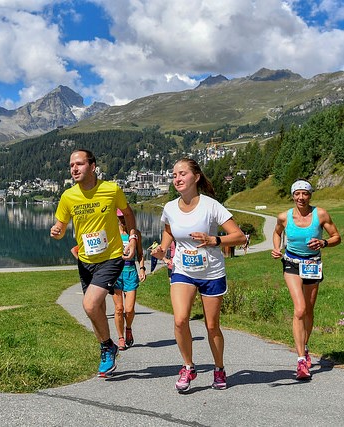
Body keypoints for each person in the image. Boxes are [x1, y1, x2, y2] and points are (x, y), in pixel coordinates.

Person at [152, 158, 245, 392]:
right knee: (180, 319)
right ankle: (188, 366)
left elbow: (240, 236)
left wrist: (215, 240)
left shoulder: (211, 206)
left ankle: (219, 368)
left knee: (212, 326)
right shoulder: (170, 208)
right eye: (174, 175)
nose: (178, 179)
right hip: (183, 269)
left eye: (182, 174)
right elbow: (168, 233)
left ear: (196, 177)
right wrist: (161, 250)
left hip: (211, 272)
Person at [50, 149, 138, 378]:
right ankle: (107, 350)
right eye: (71, 166)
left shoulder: (111, 190)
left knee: (89, 304)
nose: (74, 169)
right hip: (86, 261)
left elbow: (128, 214)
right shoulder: (68, 196)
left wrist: (134, 238)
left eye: (79, 164)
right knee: (97, 308)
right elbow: (60, 227)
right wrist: (57, 232)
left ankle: (107, 346)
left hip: (111, 257)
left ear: (92, 166)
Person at [271, 179, 341, 380]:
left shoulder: (320, 214)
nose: (301, 197)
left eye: (305, 194)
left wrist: (323, 242)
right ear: (292, 195)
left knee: (309, 310)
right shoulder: (284, 216)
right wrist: (276, 248)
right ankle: (301, 360)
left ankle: (305, 345)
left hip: (312, 264)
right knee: (299, 309)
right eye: (297, 194)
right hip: (292, 263)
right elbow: (277, 233)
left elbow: (337, 237)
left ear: (310, 195)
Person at [113, 209, 146, 351]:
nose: (122, 220)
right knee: (119, 309)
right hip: (116, 273)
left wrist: (142, 269)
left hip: (131, 272)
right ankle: (120, 338)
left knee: (129, 309)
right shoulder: (112, 233)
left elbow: (140, 254)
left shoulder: (135, 234)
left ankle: (128, 328)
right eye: (120, 218)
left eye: (124, 217)